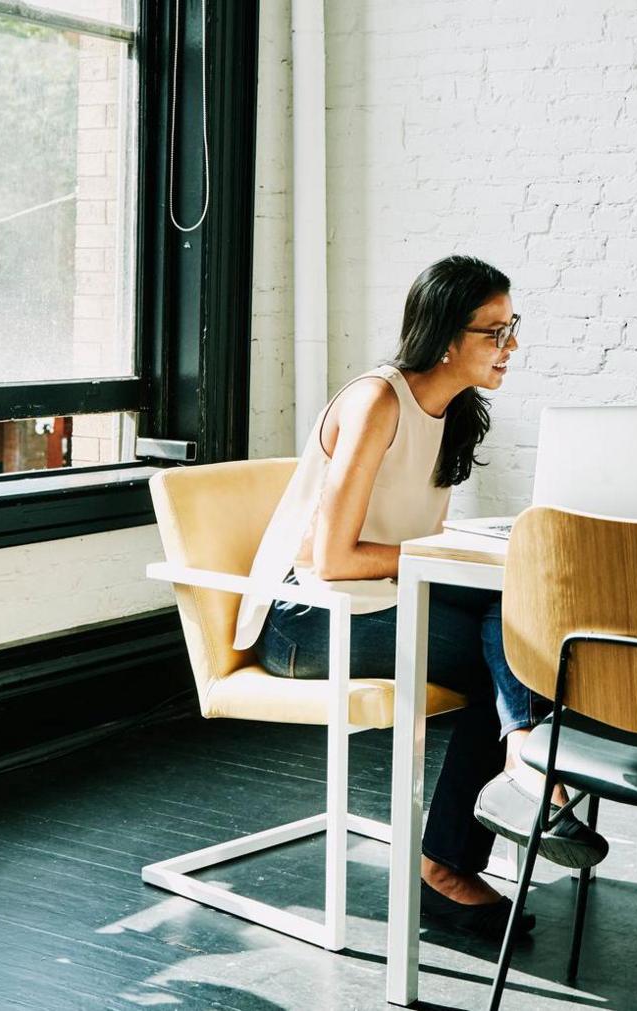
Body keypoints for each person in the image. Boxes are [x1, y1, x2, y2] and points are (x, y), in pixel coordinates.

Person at [232, 255, 534, 941]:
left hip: (380, 602)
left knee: (514, 606)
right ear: (446, 337)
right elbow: (334, 558)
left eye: (512, 327)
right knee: (509, 645)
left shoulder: (456, 412)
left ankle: (518, 752)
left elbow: (404, 543)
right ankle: (470, 831)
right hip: (309, 620)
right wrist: (442, 556)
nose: (510, 346)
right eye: (495, 331)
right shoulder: (376, 401)